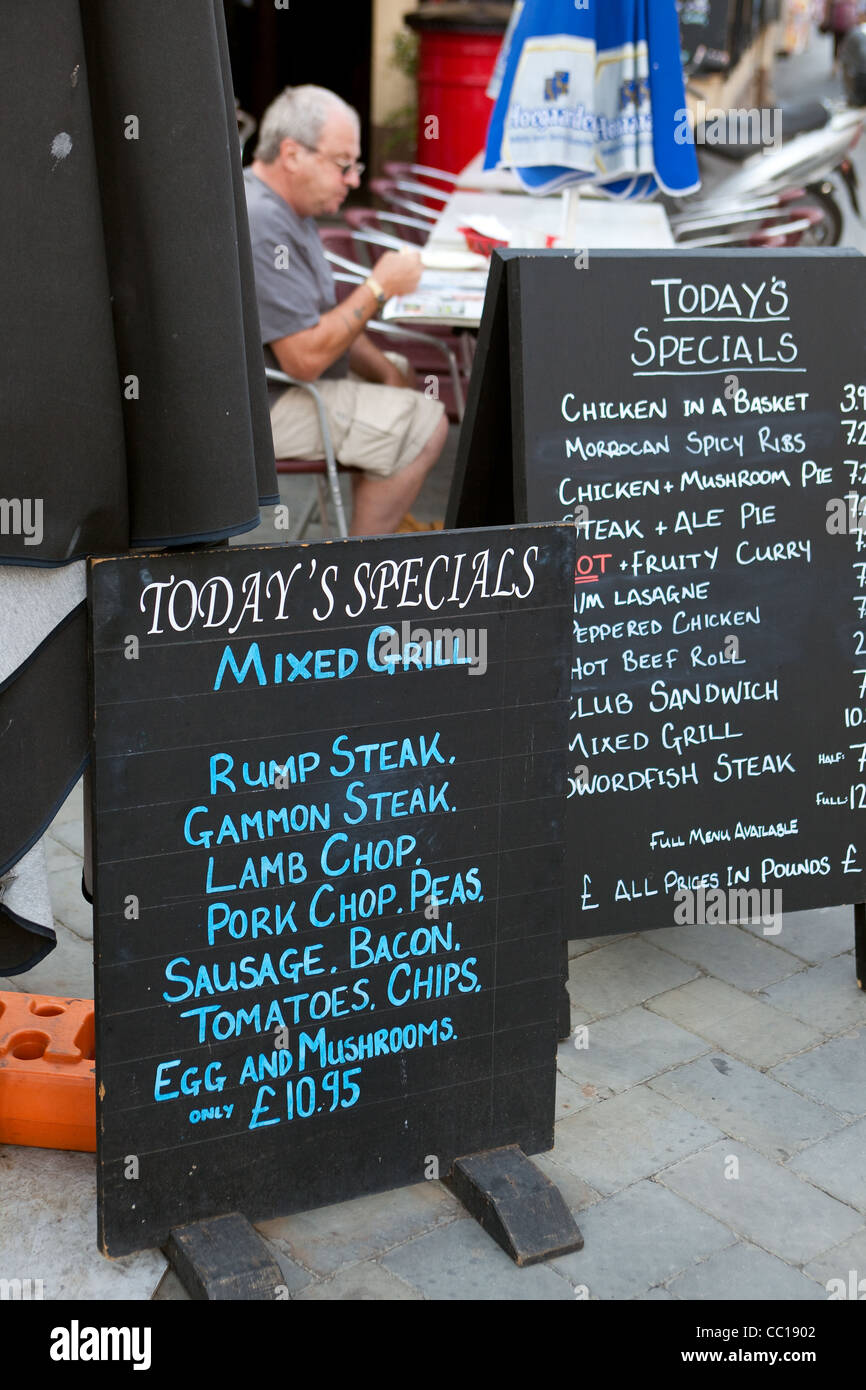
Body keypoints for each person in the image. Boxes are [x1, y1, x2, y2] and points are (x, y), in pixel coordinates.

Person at [244, 85, 448, 536]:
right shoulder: (263, 222)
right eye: (343, 165)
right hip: (256, 411)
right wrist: (378, 286)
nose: (354, 180)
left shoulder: (283, 207)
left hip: (273, 384)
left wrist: (387, 373)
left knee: (396, 369)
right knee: (427, 423)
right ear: (293, 154)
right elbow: (305, 358)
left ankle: (378, 527)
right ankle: (363, 569)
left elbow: (320, 315)